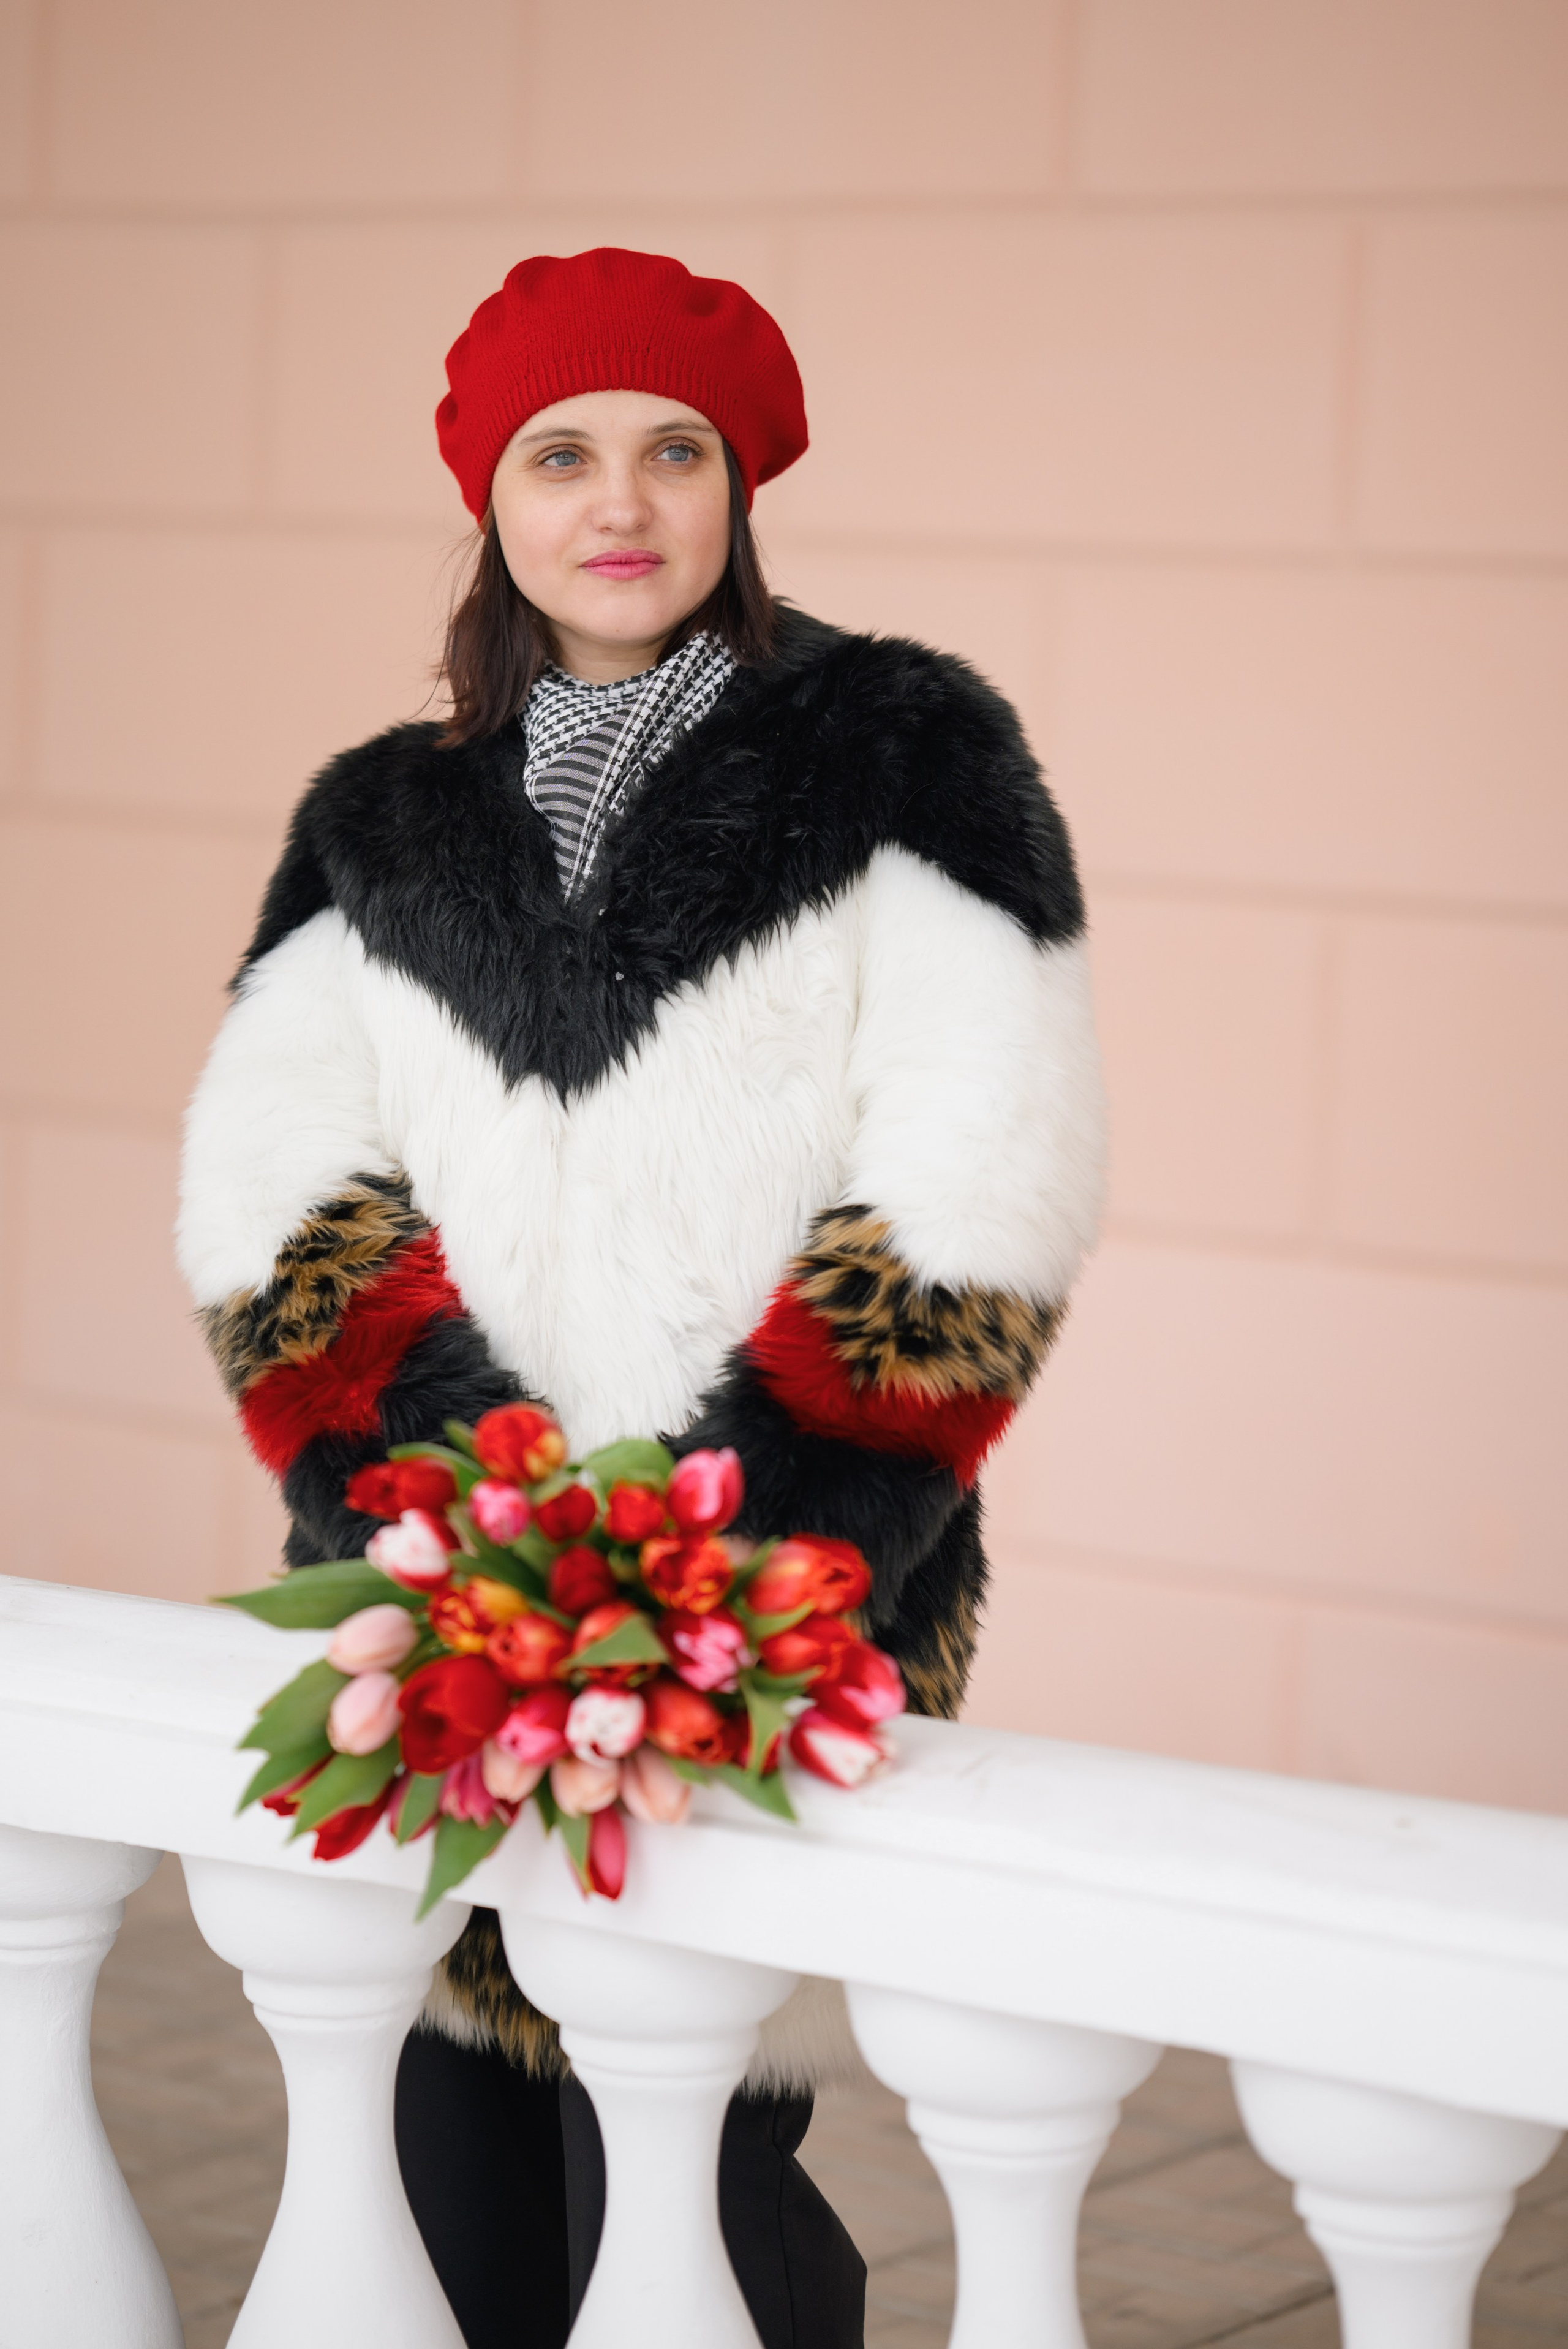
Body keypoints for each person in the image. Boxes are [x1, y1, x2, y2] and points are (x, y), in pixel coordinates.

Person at [176, 246, 1106, 2349]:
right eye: (564, 451)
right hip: (444, 1594)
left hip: (792, 1586)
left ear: (741, 482)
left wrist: (722, 1568)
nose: (624, 499)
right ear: (490, 499)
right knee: (449, 2151)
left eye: (677, 451)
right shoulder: (378, 826)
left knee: (681, 2147)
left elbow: (984, 1177)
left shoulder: (906, 756)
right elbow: (275, 1195)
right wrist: (470, 1538)